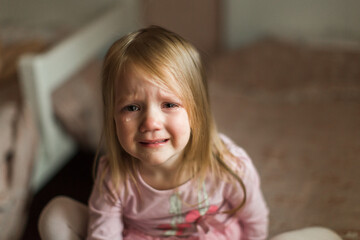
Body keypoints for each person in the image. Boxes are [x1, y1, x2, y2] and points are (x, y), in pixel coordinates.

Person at [38, 26, 341, 240]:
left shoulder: (227, 164)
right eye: (131, 108)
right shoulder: (115, 177)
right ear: (112, 116)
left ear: (196, 111)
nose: (150, 122)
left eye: (169, 104)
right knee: (55, 215)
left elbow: (255, 219)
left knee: (321, 236)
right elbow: (104, 234)